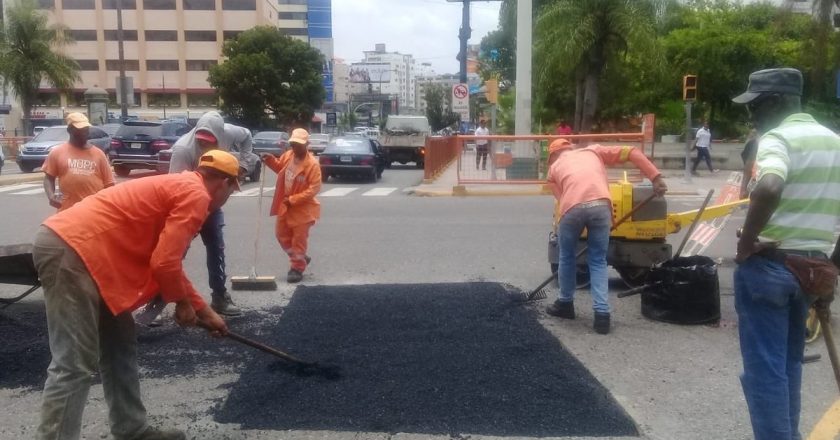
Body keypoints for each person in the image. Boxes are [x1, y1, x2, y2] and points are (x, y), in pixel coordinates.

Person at [32, 149, 236, 440]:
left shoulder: (182, 186)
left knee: (119, 344)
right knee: (74, 362)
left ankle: (131, 429)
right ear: (224, 183)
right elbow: (164, 263)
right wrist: (182, 306)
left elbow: (168, 262)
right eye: (231, 192)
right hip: (71, 250)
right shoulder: (196, 195)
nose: (225, 201)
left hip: (94, 258)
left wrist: (203, 311)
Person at [732, 68, 840, 440]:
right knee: (789, 364)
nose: (752, 117)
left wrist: (747, 242)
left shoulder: (777, 138)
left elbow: (770, 186)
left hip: (771, 268)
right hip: (811, 270)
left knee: (765, 370)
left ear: (778, 102)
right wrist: (832, 268)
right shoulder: (834, 142)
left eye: (756, 107)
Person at [545, 139, 667, 334]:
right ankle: (602, 315)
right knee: (598, 260)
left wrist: (576, 221)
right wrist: (655, 177)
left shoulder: (554, 169)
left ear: (553, 156)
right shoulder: (592, 151)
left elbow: (562, 201)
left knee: (566, 257)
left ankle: (565, 304)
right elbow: (632, 151)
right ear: (570, 148)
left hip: (572, 208)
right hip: (601, 206)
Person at [166, 111, 241, 316]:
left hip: (212, 202)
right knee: (174, 254)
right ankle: (160, 298)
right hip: (186, 205)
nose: (204, 145)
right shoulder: (183, 149)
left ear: (219, 135)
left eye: (210, 141)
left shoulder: (230, 134)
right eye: (201, 141)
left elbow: (246, 137)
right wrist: (193, 222)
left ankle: (219, 296)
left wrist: (247, 159)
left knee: (216, 246)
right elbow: (176, 190)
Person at [262, 128, 321, 283]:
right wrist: (269, 160)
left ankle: (296, 268)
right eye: (293, 144)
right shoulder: (288, 156)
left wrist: (293, 199)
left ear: (307, 144)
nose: (295, 147)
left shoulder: (312, 165)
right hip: (285, 204)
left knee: (298, 240)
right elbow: (279, 168)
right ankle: (300, 257)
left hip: (302, 209)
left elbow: (314, 189)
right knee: (281, 234)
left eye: (299, 144)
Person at [42, 113, 115, 211]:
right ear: (69, 130)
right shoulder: (57, 152)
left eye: (86, 129)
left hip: (94, 211)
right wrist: (51, 196)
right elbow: (49, 178)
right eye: (79, 130)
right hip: (67, 211)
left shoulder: (99, 154)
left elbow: (109, 184)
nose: (84, 132)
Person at [740, 128, 759, 199]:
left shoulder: (752, 142)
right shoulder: (753, 142)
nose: (752, 134)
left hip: (752, 169)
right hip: (752, 168)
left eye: (754, 133)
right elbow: (744, 154)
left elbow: (743, 154)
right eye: (752, 133)